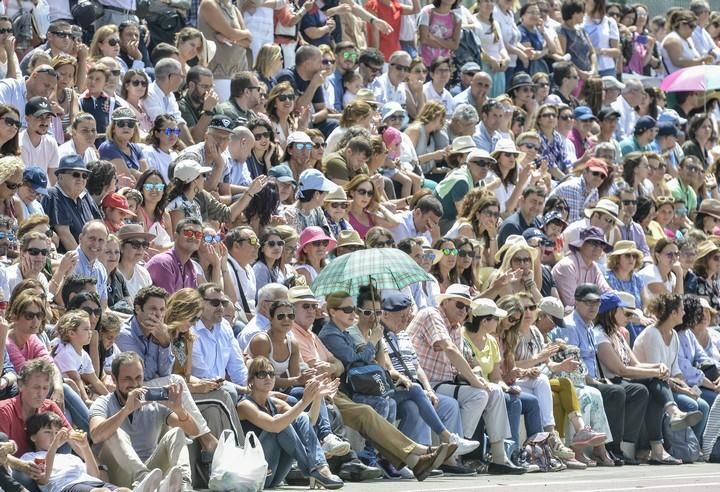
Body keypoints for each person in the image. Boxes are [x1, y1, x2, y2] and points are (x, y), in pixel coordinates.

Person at [406, 284, 525, 474]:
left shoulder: (455, 327)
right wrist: (476, 381)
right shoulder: (432, 314)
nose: (464, 311)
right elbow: (450, 349)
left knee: (494, 391)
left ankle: (499, 457)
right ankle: (454, 451)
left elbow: (455, 366)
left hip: (445, 383)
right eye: (460, 305)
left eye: (467, 307)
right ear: (445, 302)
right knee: (479, 394)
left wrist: (476, 378)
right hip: (424, 383)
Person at [88, 352, 195, 490]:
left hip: (152, 474)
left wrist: (179, 409)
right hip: (118, 475)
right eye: (127, 379)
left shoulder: (154, 402)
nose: (134, 384)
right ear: (114, 379)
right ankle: (144, 479)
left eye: (138, 378)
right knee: (115, 432)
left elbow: (193, 431)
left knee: (176, 432)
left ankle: (184, 484)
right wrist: (126, 410)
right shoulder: (103, 403)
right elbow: (96, 436)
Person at [633, 293, 710, 446]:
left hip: (667, 384)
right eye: (681, 309)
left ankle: (691, 447)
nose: (684, 313)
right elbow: (659, 375)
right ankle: (675, 446)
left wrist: (688, 388)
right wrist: (683, 391)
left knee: (703, 405)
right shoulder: (652, 334)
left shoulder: (673, 334)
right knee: (691, 405)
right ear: (673, 313)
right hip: (651, 384)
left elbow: (675, 370)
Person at [145, 218, 203, 294]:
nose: (193, 237)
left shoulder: (191, 267)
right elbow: (168, 303)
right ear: (175, 236)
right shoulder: (163, 262)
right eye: (188, 233)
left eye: (198, 235)